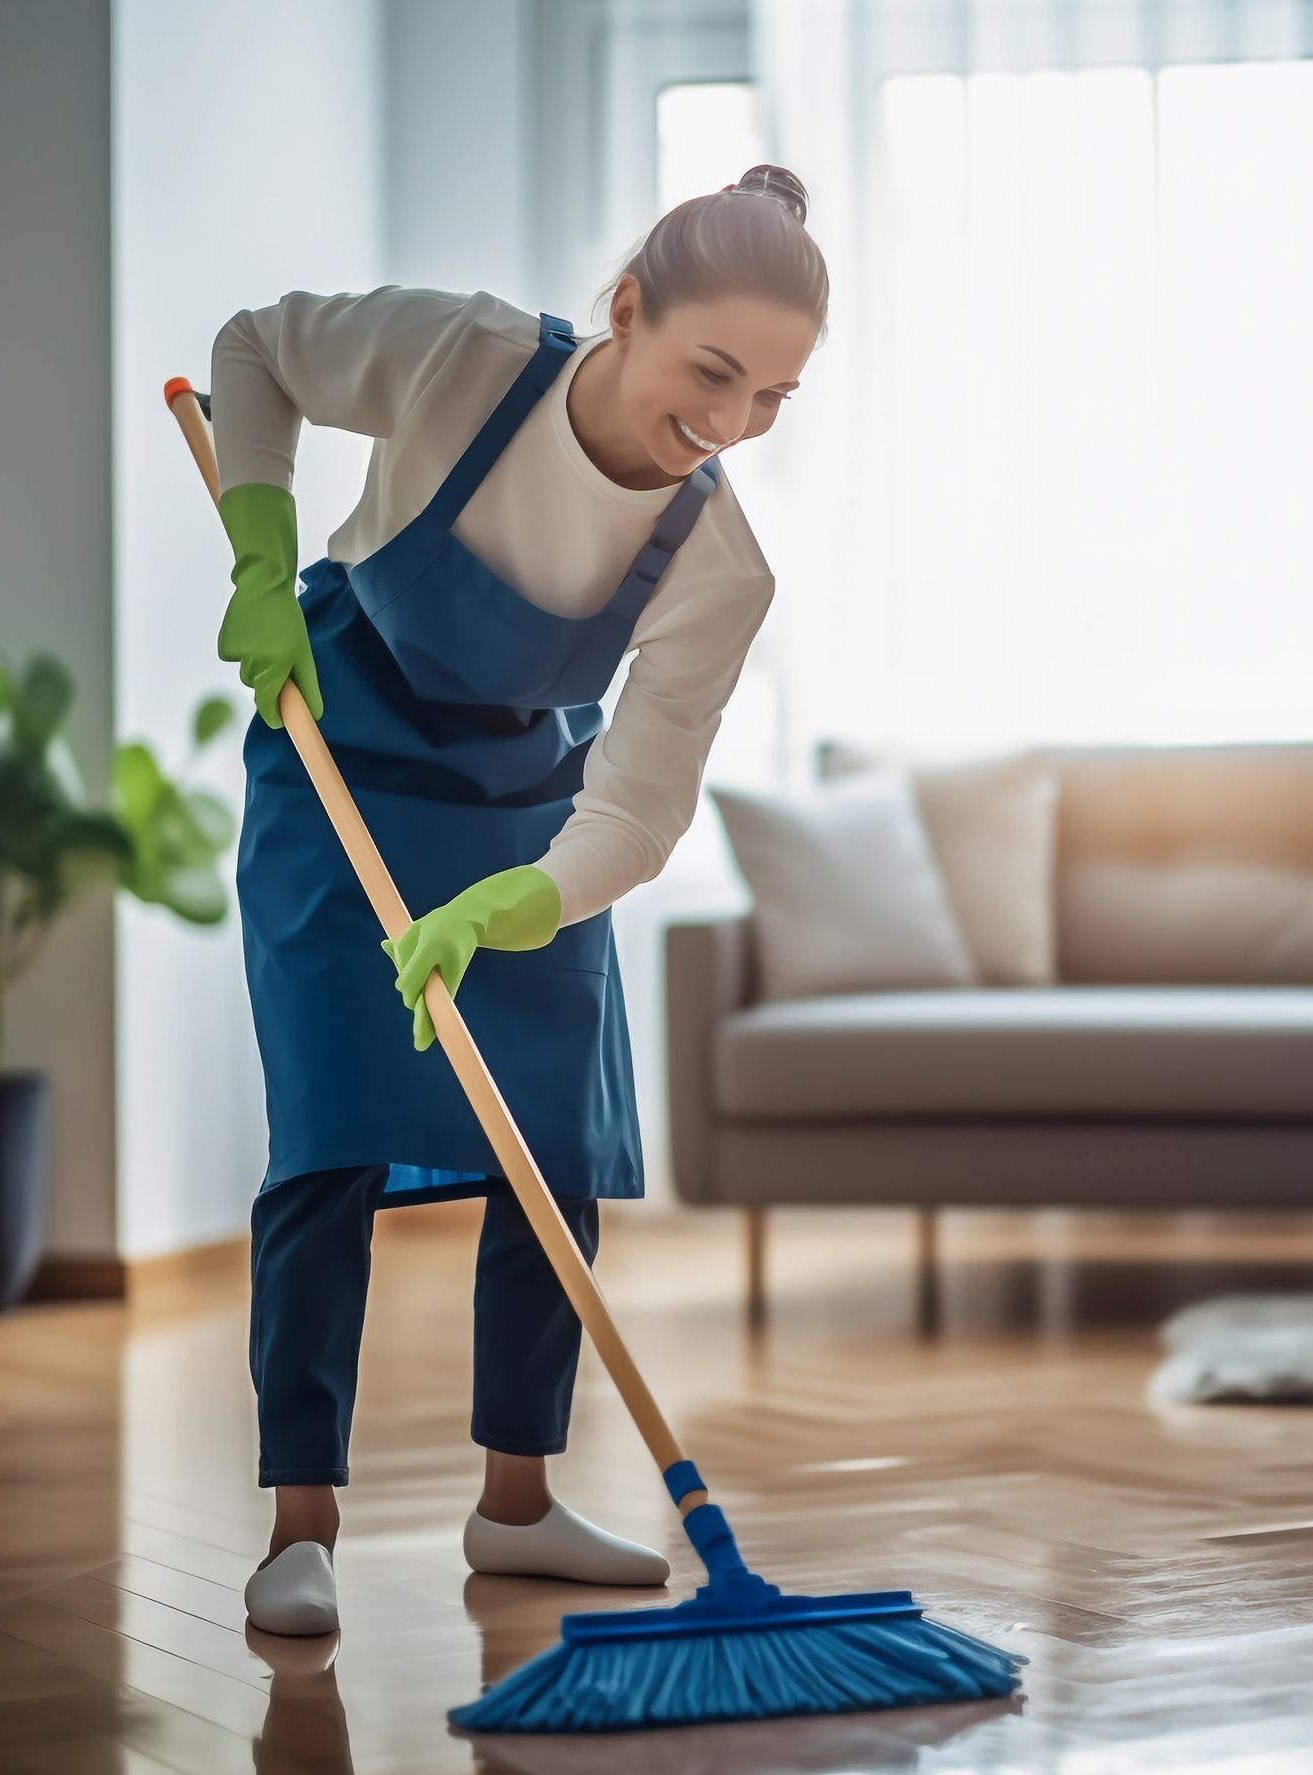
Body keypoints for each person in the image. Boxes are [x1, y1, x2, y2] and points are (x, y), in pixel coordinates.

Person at [210, 165, 826, 1635]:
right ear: (626, 310)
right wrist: (259, 551)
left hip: (525, 826)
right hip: (335, 757)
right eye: (714, 373)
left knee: (548, 1152)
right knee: (329, 1136)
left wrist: (512, 906)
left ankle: (519, 1506)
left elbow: (637, 810)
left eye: (775, 399)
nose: (732, 425)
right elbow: (257, 349)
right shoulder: (466, 358)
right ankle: (301, 1524)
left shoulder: (719, 563)